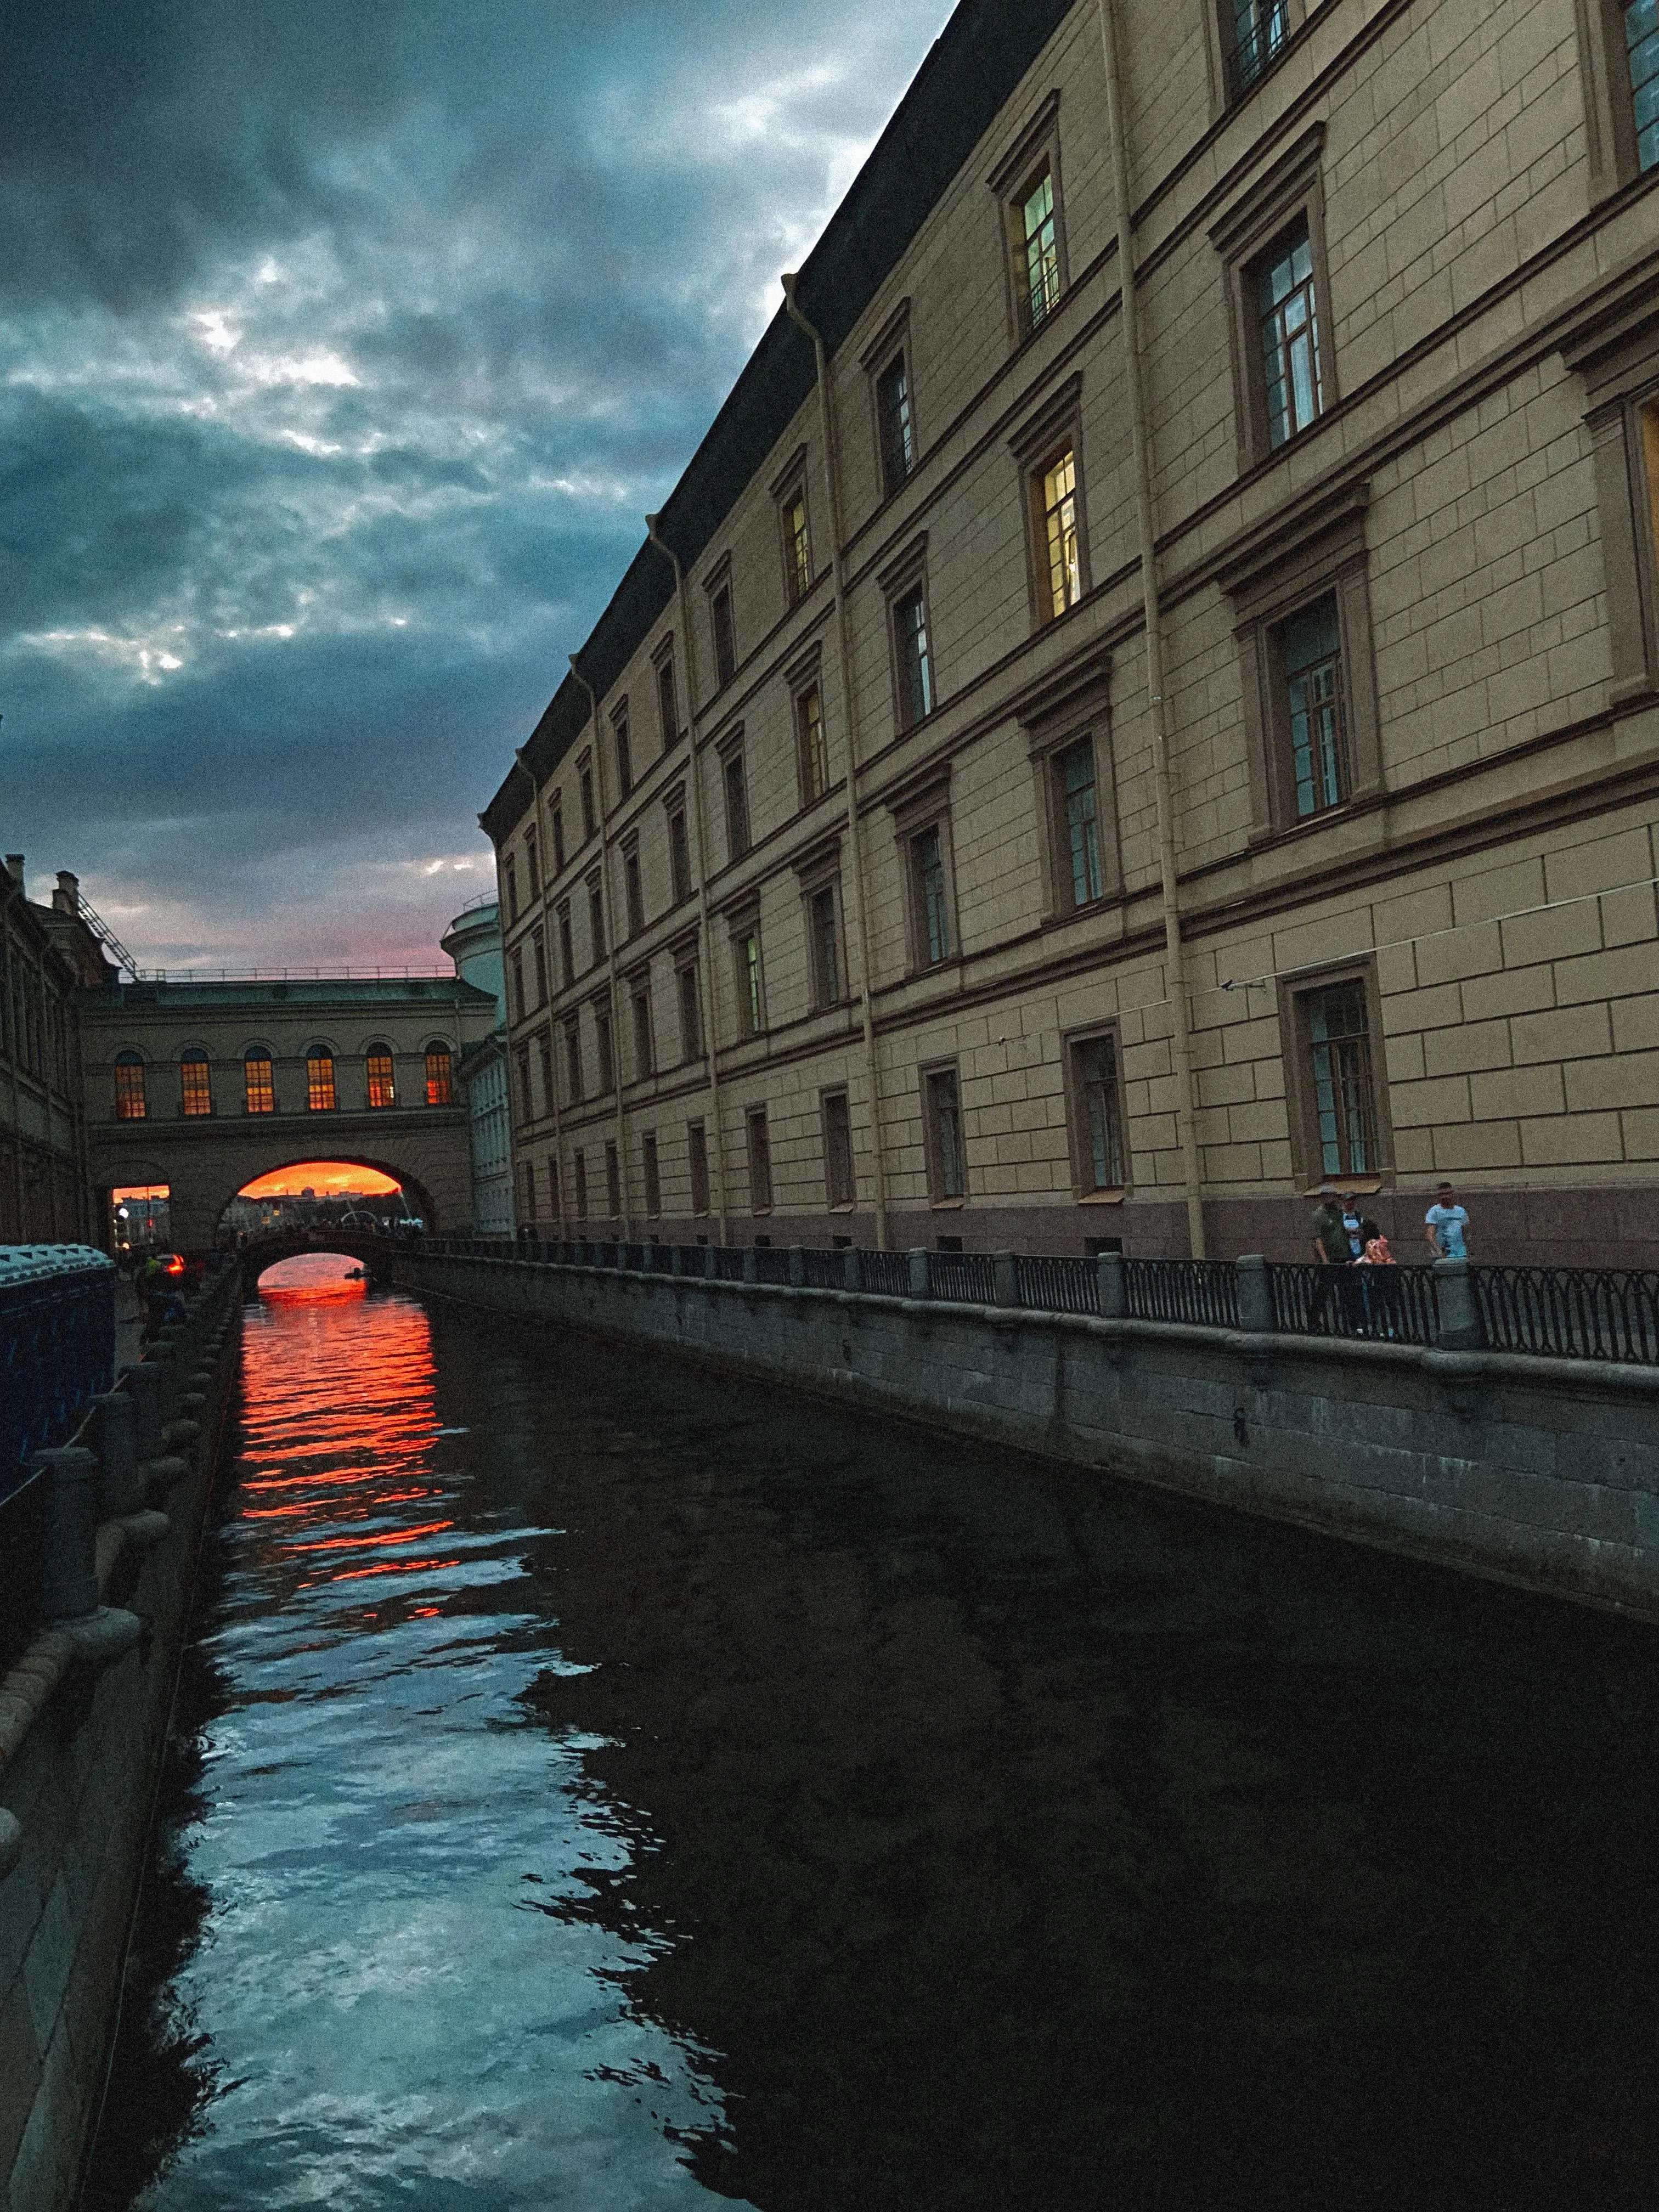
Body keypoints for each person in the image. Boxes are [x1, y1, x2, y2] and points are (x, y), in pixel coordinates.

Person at [1308, 1185, 1353, 1330]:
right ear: (1323, 1198)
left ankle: (1352, 1321)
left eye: (1333, 1195)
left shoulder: (1338, 1212)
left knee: (1348, 1290)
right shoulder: (1318, 1215)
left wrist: (1352, 1233)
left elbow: (1341, 1230)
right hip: (1330, 1259)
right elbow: (1318, 1239)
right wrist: (1325, 1261)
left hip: (1343, 1256)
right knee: (1323, 1291)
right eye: (1328, 1196)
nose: (1331, 1198)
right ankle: (1314, 1320)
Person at [1425, 1183, 1471, 1261]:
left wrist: (1469, 1252)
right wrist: (1439, 1252)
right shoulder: (1434, 1211)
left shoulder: (1461, 1211)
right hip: (1443, 1254)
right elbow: (1430, 1235)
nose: (1445, 1197)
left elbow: (1466, 1233)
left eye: (1447, 1194)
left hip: (1461, 1254)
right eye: (1442, 1194)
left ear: (1452, 1194)